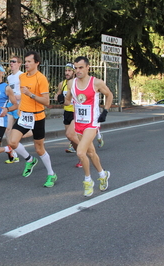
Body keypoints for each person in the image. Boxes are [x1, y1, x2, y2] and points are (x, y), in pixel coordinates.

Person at [62, 56, 113, 197]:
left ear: (87, 68)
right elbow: (67, 101)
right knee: (90, 153)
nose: (77, 70)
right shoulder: (71, 84)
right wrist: (62, 100)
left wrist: (106, 111)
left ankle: (88, 180)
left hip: (92, 123)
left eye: (80, 68)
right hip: (79, 123)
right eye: (76, 68)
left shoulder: (96, 82)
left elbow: (109, 95)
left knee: (80, 152)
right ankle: (103, 175)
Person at [8, 51, 57, 188]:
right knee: (12, 141)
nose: (26, 64)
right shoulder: (22, 77)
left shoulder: (41, 78)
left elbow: (46, 101)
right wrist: (19, 108)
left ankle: (51, 174)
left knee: (39, 148)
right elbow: (22, 96)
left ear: (37, 63)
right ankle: (29, 160)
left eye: (29, 61)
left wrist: (31, 95)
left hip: (37, 116)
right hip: (24, 115)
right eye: (26, 61)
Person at [3, 56, 23, 164]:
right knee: (7, 129)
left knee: (22, 129)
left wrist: (18, 96)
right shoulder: (9, 78)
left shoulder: (22, 75)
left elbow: (25, 91)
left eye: (14, 62)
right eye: (10, 61)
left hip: (20, 106)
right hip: (11, 105)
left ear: (19, 64)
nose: (11, 63)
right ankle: (13, 154)